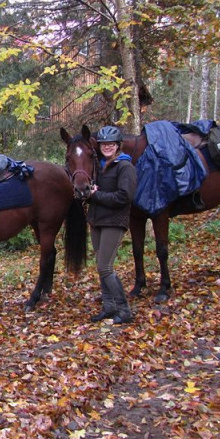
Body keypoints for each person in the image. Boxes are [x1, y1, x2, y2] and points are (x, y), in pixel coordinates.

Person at [87, 125, 137, 325]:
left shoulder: (125, 167)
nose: (107, 147)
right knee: (101, 267)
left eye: (111, 144)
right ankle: (109, 307)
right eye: (103, 144)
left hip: (114, 221)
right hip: (97, 220)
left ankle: (124, 309)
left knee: (105, 266)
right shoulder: (99, 166)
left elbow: (124, 197)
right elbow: (93, 192)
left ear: (118, 146)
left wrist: (96, 195)